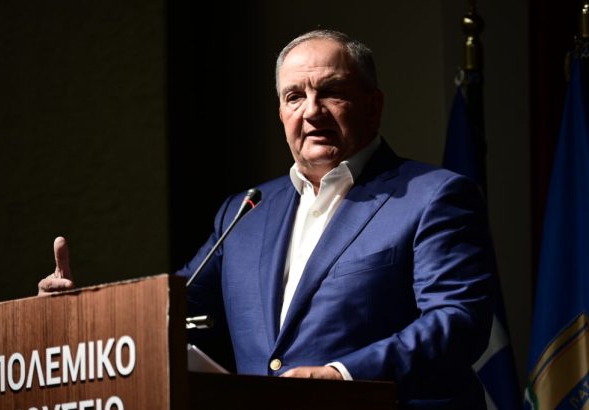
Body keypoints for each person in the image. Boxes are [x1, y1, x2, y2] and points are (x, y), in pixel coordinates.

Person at [39, 29, 495, 409]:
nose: (311, 110)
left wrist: (344, 375)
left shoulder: (431, 196)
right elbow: (172, 311)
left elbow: (458, 320)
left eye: (331, 92)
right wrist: (81, 316)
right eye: (295, 96)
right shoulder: (247, 211)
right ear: (280, 113)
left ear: (372, 105)